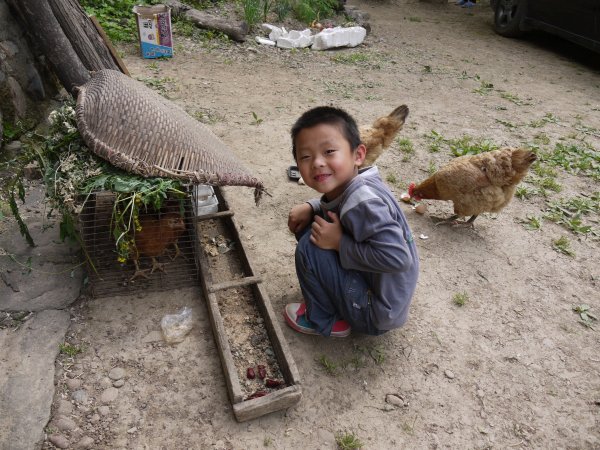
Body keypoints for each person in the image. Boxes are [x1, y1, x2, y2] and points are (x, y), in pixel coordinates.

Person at [284, 106, 419, 338]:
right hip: (381, 297)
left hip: (375, 314)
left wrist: (339, 243)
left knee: (310, 245)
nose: (317, 162)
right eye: (305, 156)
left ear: (358, 155)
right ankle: (336, 296)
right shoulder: (359, 183)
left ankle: (324, 320)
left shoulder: (362, 202)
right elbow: (339, 203)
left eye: (329, 151)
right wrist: (313, 206)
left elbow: (398, 258)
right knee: (315, 224)